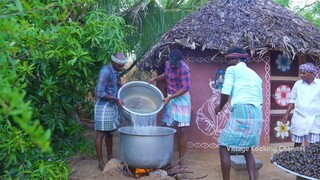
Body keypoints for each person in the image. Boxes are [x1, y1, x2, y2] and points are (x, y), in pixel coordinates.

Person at [214, 47, 263, 180]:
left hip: (243, 109)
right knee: (247, 148)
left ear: (236, 59)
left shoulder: (232, 70)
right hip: (257, 114)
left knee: (224, 146)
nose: (227, 63)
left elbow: (225, 92)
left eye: (229, 60)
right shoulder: (255, 74)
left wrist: (219, 107)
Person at [148, 48, 191, 167]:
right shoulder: (168, 64)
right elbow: (165, 74)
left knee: (182, 130)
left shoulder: (184, 69)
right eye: (171, 62)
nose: (172, 65)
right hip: (170, 97)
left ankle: (182, 160)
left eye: (174, 64)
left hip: (182, 99)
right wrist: (155, 78)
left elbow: (185, 88)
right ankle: (164, 157)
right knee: (166, 127)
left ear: (180, 61)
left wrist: (170, 98)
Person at [94, 52, 128, 171]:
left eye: (122, 65)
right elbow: (99, 93)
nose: (121, 68)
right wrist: (116, 98)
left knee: (110, 133)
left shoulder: (116, 70)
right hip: (103, 106)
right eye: (120, 66)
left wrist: (119, 85)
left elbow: (113, 84)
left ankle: (110, 158)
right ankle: (101, 162)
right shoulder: (105, 72)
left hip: (111, 105)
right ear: (113, 62)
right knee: (101, 134)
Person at [281, 62, 320, 148]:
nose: (301, 75)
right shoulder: (297, 84)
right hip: (300, 117)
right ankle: (296, 160)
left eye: (304, 73)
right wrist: (286, 114)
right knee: (297, 143)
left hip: (315, 119)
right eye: (301, 73)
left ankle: (312, 161)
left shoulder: (319, 85)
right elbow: (292, 100)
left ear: (312, 74)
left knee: (314, 145)